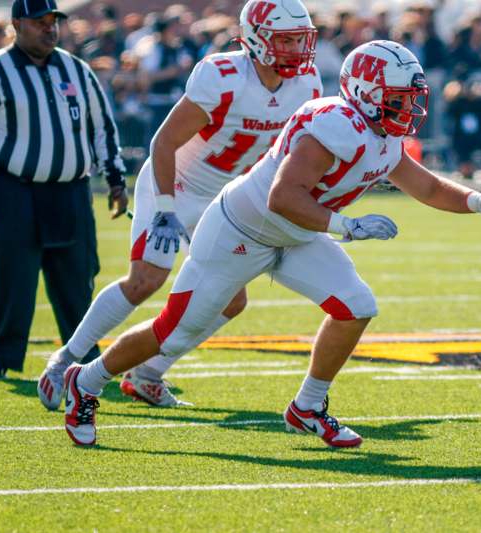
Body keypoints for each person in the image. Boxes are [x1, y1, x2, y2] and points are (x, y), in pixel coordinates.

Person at [60, 40, 481, 447]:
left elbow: (425, 187)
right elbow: (284, 197)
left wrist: (478, 202)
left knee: (356, 305)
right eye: (401, 98)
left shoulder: (383, 136)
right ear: (367, 92)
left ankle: (308, 406)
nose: (410, 108)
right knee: (171, 329)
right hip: (241, 232)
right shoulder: (334, 125)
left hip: (298, 236)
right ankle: (88, 379)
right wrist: (348, 226)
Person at [37, 0, 321, 409]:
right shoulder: (222, 76)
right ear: (257, 40)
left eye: (300, 39)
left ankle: (149, 372)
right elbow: (164, 142)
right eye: (286, 39)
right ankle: (65, 361)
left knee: (232, 300)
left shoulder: (306, 84)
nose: (296, 48)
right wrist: (166, 208)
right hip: (178, 184)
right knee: (146, 280)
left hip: (226, 197)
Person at [0, 0, 127, 379]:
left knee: (77, 276)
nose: (49, 29)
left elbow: (101, 126)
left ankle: (84, 355)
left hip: (69, 191)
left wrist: (116, 178)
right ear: (16, 25)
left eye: (53, 22)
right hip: (12, 190)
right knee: (11, 276)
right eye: (39, 23)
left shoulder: (77, 70)